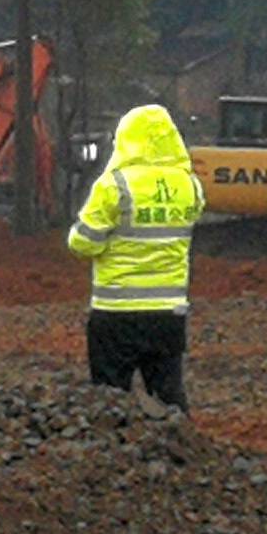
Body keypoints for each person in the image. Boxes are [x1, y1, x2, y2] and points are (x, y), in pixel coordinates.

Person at [67, 101, 206, 412]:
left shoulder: (114, 185)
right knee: (169, 394)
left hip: (116, 312)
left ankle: (115, 454)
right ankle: (179, 450)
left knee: (109, 399)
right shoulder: (190, 185)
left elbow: (82, 244)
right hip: (167, 314)